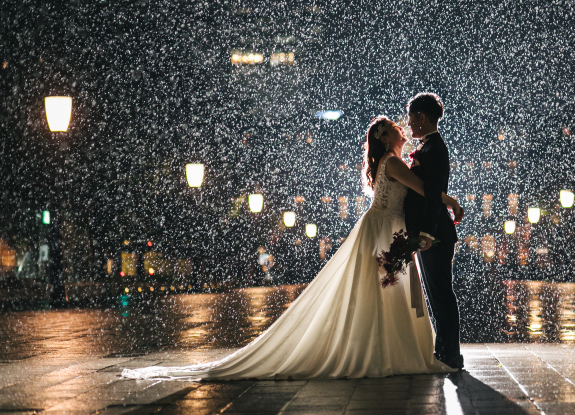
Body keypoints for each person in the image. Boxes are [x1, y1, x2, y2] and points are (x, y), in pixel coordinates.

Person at [121, 116, 463, 381]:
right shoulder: (393, 162)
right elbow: (422, 189)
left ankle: (378, 349)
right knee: (387, 289)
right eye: (393, 126)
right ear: (385, 138)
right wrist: (451, 201)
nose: (401, 127)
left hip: (381, 227)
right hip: (386, 229)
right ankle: (387, 350)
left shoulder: (385, 162)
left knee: (378, 290)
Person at [404, 92, 463, 370]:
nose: (408, 124)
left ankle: (450, 355)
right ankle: (446, 352)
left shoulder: (434, 149)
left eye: (411, 118)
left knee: (441, 295)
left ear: (422, 117)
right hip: (434, 233)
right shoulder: (430, 147)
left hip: (436, 234)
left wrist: (426, 233)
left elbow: (431, 194)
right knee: (437, 295)